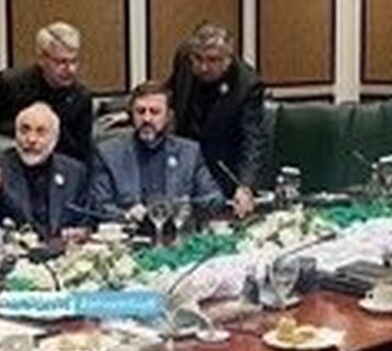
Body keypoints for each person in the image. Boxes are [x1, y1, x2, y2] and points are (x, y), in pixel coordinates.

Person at [89, 80, 225, 224]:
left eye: (155, 112)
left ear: (168, 116)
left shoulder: (189, 152)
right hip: (129, 233)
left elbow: (215, 198)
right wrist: (126, 215)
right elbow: (98, 205)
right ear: (131, 114)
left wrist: (188, 205)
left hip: (176, 233)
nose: (147, 119)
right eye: (140, 111)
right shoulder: (108, 153)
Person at [168, 23, 265, 217]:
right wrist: (130, 112)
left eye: (212, 60)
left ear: (228, 59)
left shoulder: (247, 85)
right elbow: (169, 91)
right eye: (198, 59)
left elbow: (253, 141)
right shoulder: (184, 60)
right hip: (184, 167)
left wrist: (246, 186)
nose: (203, 67)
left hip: (223, 171)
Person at [0, 21, 94, 166]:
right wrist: (24, 130)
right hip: (11, 165)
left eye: (74, 61)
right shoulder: (9, 84)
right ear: (42, 59)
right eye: (61, 62)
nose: (70, 69)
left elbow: (81, 152)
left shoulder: (81, 97)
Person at [0, 102, 88, 240]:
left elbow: (85, 219)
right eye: (24, 130)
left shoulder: (74, 172)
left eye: (41, 132)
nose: (31, 139)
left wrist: (80, 231)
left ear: (55, 138)